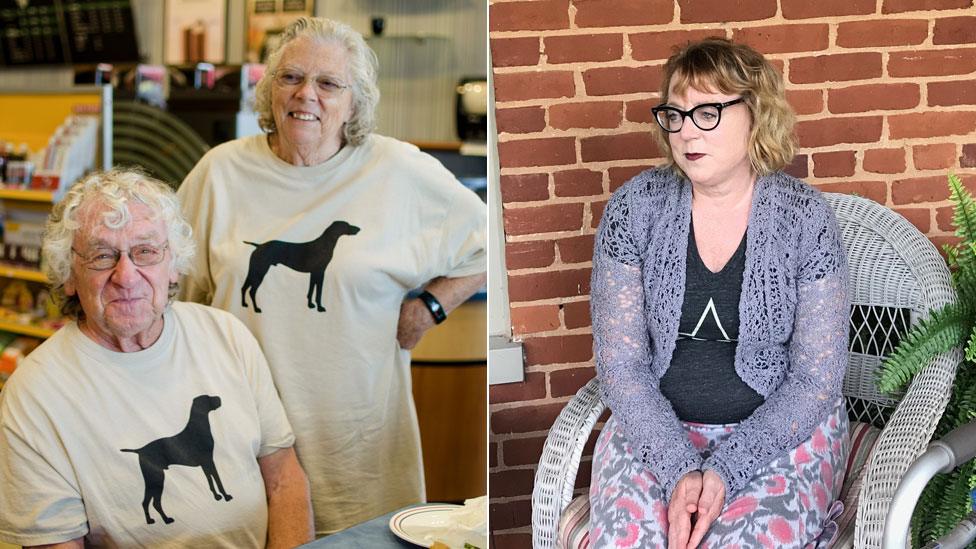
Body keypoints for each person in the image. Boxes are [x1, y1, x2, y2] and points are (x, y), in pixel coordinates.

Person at [177, 17, 487, 534]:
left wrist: (429, 308)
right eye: (291, 77)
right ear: (269, 89)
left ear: (355, 101)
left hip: (358, 457)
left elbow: (487, 239)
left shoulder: (397, 171)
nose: (307, 95)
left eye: (328, 83)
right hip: (243, 447)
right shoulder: (219, 174)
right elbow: (176, 296)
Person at [588, 38, 850, 549]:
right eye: (675, 114)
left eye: (707, 111)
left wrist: (726, 468)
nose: (686, 131)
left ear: (756, 113)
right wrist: (680, 467)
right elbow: (621, 368)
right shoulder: (633, 211)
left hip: (782, 439)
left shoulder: (806, 219)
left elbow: (816, 381)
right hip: (654, 436)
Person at [0, 169, 313, 548]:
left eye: (146, 251)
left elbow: (284, 480)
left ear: (174, 265)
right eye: (102, 255)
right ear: (69, 274)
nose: (127, 276)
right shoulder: (33, 396)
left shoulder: (227, 336)